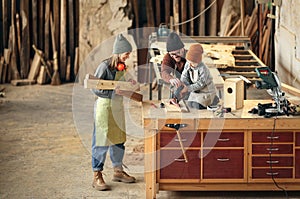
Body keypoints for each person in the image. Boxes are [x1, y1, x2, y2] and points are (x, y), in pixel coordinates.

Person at [91, 34, 136, 191]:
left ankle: (118, 171)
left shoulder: (122, 67)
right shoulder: (104, 66)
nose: (128, 56)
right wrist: (111, 91)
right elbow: (94, 87)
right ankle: (97, 175)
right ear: (119, 52)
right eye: (127, 53)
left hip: (117, 107)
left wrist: (129, 83)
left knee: (118, 139)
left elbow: (124, 85)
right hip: (104, 106)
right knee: (101, 140)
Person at [178, 43, 219, 109]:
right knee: (190, 104)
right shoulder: (188, 64)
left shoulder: (203, 68)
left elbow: (201, 84)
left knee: (196, 106)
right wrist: (182, 84)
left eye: (193, 63)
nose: (191, 64)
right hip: (196, 91)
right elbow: (184, 75)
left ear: (198, 61)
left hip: (206, 91)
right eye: (189, 62)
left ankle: (214, 99)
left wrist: (188, 88)